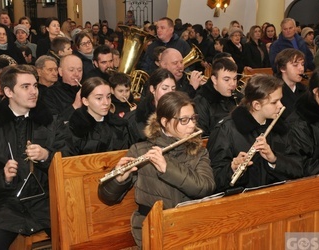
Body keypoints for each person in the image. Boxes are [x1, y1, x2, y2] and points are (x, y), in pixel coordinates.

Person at [0, 64, 68, 250]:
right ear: (8, 92)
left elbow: (69, 162)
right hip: (7, 205)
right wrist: (1, 176)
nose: (33, 91)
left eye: (35, 86)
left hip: (47, 201)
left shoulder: (50, 122)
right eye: (25, 87)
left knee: (78, 240)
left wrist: (47, 156)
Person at [99, 91, 216, 247]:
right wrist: (119, 179)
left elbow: (205, 187)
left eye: (193, 118)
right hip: (152, 228)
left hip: (188, 227)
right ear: (165, 122)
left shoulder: (199, 151)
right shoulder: (140, 150)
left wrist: (168, 168)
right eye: (184, 120)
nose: (192, 125)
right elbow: (108, 197)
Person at [207, 74, 302, 192]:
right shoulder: (226, 130)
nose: (281, 106)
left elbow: (298, 168)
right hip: (241, 204)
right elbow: (213, 178)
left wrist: (274, 160)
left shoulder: (281, 127)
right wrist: (232, 168)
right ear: (256, 105)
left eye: (280, 100)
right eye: (274, 102)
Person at [65, 77, 129, 156]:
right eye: (99, 98)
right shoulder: (74, 128)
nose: (106, 102)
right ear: (85, 101)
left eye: (108, 97)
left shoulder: (119, 125)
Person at [126, 68, 176, 144]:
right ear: (152, 89)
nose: (170, 93)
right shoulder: (135, 118)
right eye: (165, 88)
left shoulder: (179, 112)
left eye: (173, 89)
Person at [194, 58, 243, 136]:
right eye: (226, 80)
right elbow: (202, 136)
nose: (233, 84)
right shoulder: (201, 101)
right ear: (214, 79)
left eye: (235, 79)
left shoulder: (239, 97)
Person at [43, 54, 82, 122]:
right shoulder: (49, 94)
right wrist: (75, 106)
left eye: (79, 70)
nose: (76, 74)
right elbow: (54, 123)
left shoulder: (86, 90)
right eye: (71, 70)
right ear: (60, 72)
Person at [274, 48, 307, 117]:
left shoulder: (305, 90)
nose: (301, 69)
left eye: (302, 64)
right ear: (282, 68)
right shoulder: (273, 90)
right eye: (295, 65)